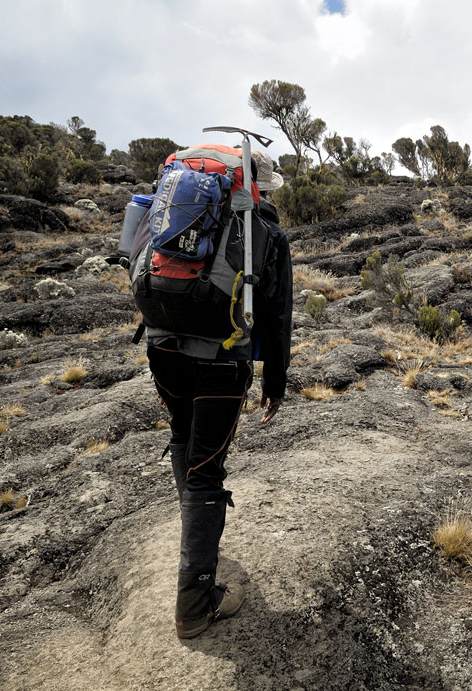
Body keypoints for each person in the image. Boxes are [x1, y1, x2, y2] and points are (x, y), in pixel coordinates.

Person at [145, 149, 292, 639]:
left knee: (182, 435)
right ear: (260, 187)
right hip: (221, 360)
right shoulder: (265, 230)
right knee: (208, 469)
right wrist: (274, 383)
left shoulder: (177, 209)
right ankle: (195, 603)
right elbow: (276, 316)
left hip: (161, 343)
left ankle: (196, 532)